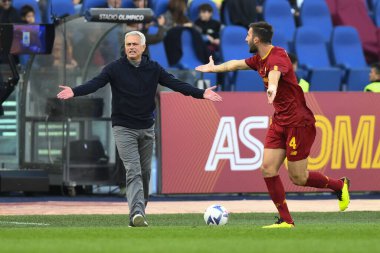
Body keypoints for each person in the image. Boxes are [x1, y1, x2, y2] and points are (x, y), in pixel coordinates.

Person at [57, 31, 222, 227]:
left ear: (143, 47)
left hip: (146, 127)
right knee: (133, 170)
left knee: (145, 173)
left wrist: (202, 93)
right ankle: (136, 214)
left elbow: (176, 84)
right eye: (128, 44)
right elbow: (95, 84)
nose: (131, 47)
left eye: (135, 44)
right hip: (123, 127)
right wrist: (74, 91)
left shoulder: (154, 68)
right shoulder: (114, 68)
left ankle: (140, 210)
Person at [196, 21, 350, 228]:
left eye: (248, 35)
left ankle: (339, 185)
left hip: (298, 122)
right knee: (268, 169)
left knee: (298, 177)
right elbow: (235, 64)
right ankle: (286, 221)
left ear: (257, 39)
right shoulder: (259, 59)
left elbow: (275, 74)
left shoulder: (278, 56)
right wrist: (214, 68)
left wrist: (273, 88)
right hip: (279, 121)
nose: (245, 38)